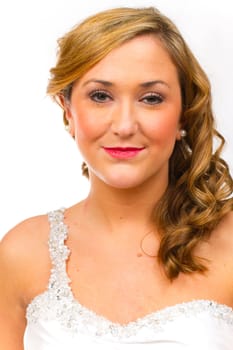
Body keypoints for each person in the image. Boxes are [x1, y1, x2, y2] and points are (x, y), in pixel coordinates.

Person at [0, 6, 233, 350]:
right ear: (68, 112)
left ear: (184, 113)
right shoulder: (21, 253)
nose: (124, 126)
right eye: (100, 96)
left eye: (151, 99)